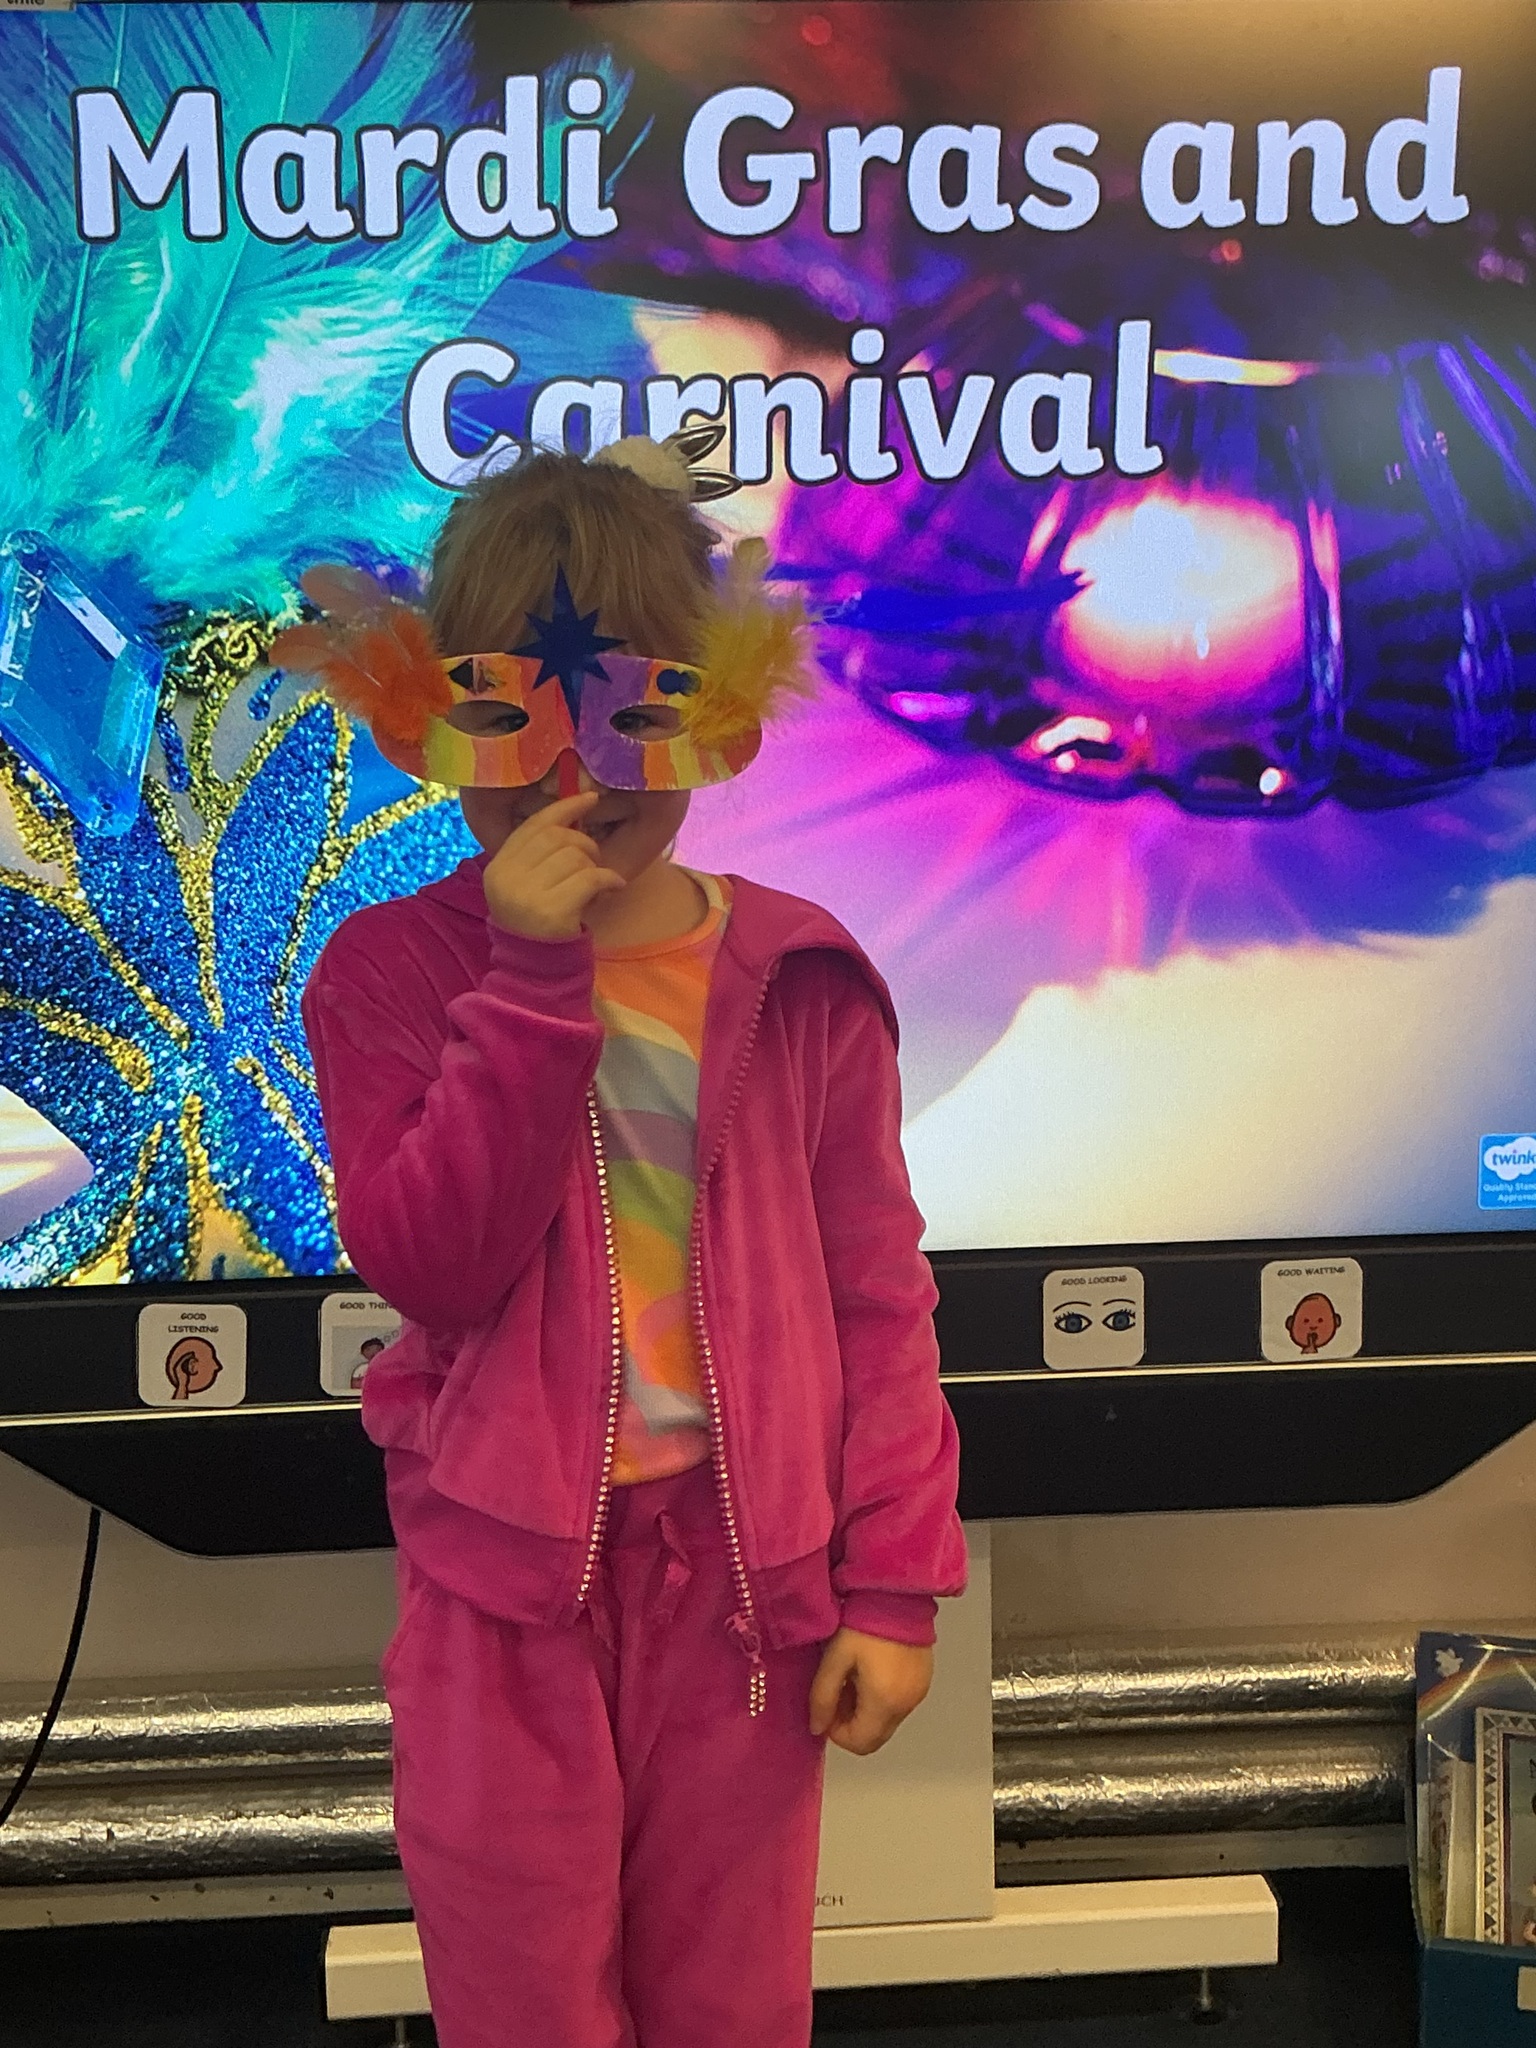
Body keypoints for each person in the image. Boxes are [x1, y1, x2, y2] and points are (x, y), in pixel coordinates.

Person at [287, 430, 966, 2048]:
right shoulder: (392, 974)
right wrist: (530, 983)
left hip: (745, 1597)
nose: (571, 778)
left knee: (733, 2006)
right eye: (508, 714)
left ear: (713, 713)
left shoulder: (800, 977)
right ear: (429, 714)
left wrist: (895, 1582)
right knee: (527, 2007)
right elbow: (432, 1261)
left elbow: (877, 1296)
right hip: (503, 1605)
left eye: (629, 714)